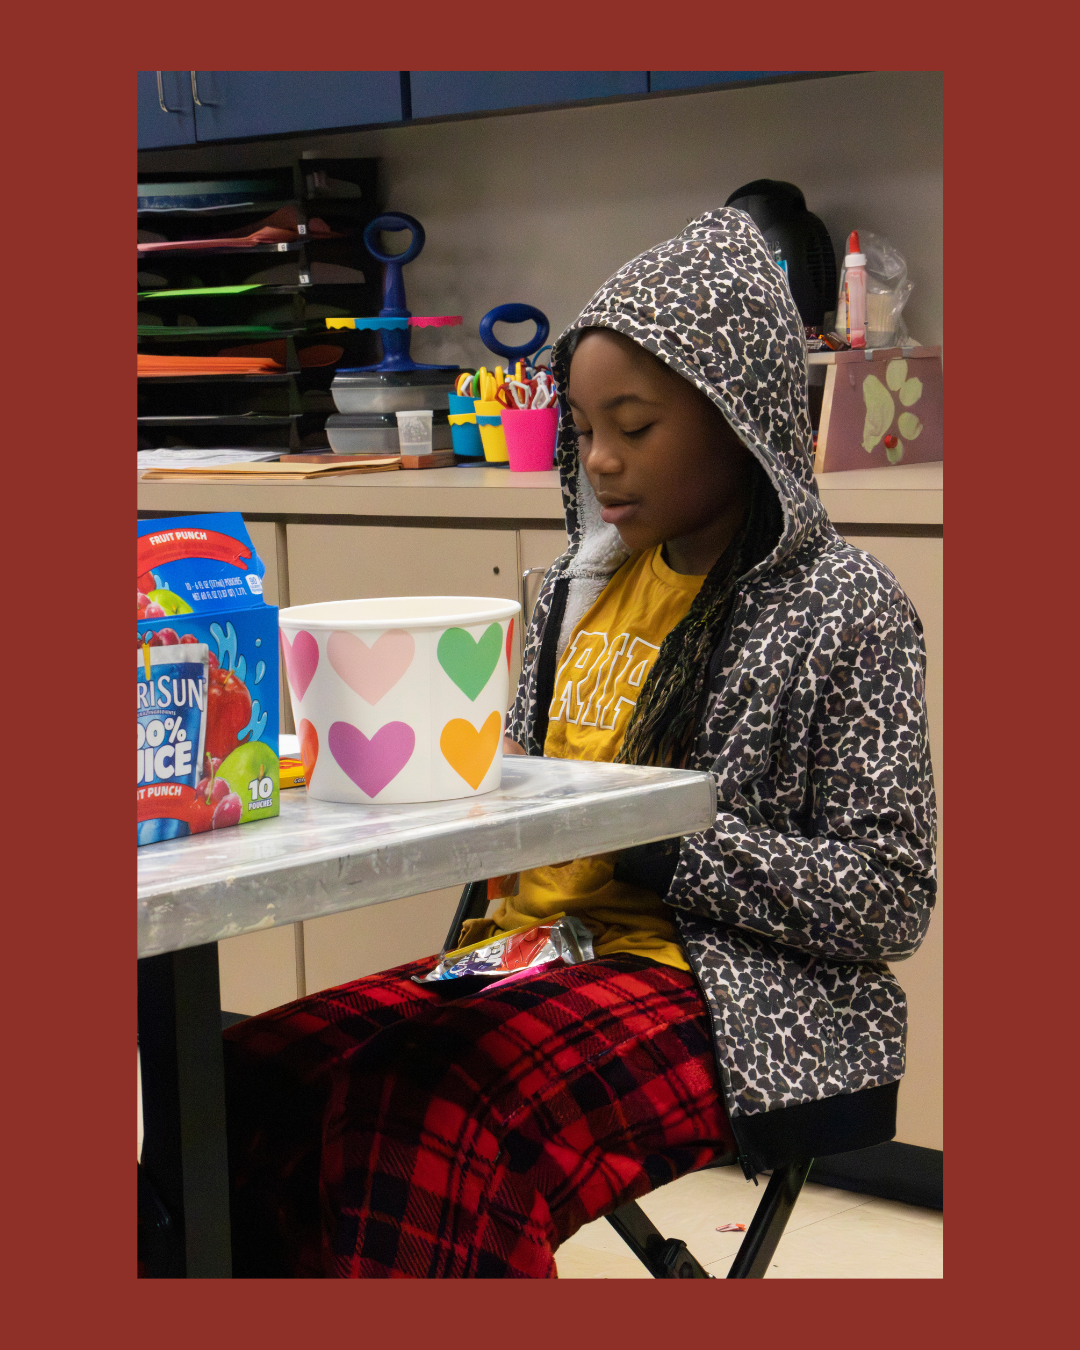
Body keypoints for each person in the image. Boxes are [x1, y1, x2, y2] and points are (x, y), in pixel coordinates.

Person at [224, 209, 936, 1278]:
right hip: (530, 955)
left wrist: (651, 835)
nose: (599, 459)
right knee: (238, 1077)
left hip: (735, 989)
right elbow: (508, 804)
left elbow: (889, 895)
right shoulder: (573, 588)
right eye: (583, 426)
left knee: (423, 1110)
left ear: (740, 418)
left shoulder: (845, 610)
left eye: (636, 426)